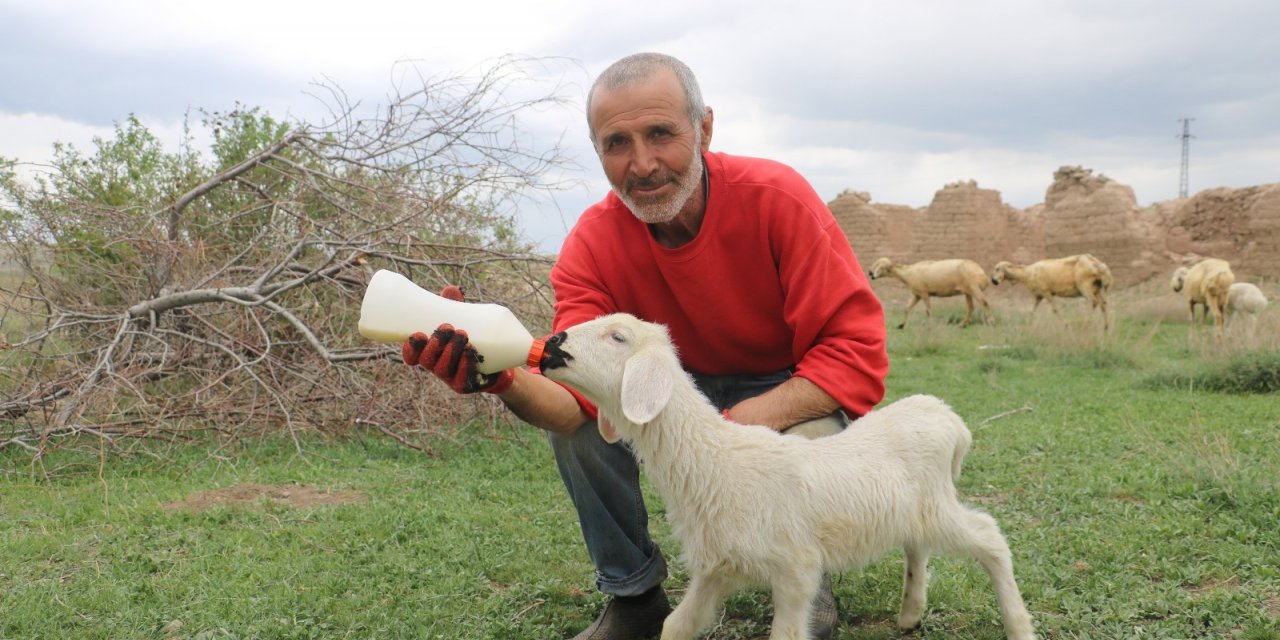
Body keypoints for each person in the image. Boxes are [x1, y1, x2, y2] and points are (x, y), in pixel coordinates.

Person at [402, 52, 889, 640]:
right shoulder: (591, 245)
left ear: (704, 128)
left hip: (776, 384)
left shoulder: (776, 200)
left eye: (661, 133)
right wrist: (498, 376)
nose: (643, 164)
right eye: (616, 143)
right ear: (598, 151)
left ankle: (805, 576)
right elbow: (572, 400)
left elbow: (854, 349)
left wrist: (738, 426)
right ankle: (634, 595)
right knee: (580, 438)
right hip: (662, 390)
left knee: (809, 438)